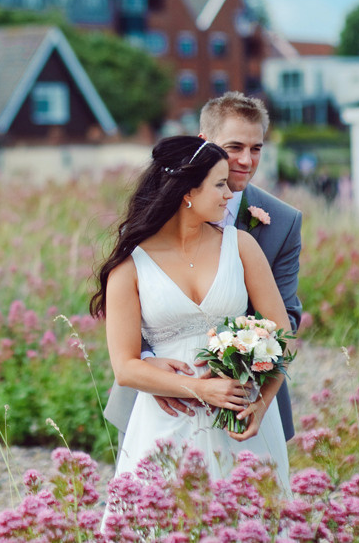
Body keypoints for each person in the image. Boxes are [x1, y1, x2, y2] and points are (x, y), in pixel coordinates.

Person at [90, 136, 293, 489]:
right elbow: (125, 367)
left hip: (240, 414)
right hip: (170, 419)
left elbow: (283, 336)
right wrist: (200, 389)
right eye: (219, 184)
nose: (229, 195)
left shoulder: (241, 246)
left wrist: (261, 404)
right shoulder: (129, 265)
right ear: (187, 192)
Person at [104, 92, 303, 442]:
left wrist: (250, 384)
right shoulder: (138, 244)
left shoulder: (279, 224)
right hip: (160, 405)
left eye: (256, 148)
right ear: (203, 144)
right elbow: (126, 332)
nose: (246, 160)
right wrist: (153, 367)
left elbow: (284, 322)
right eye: (234, 147)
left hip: (241, 401)